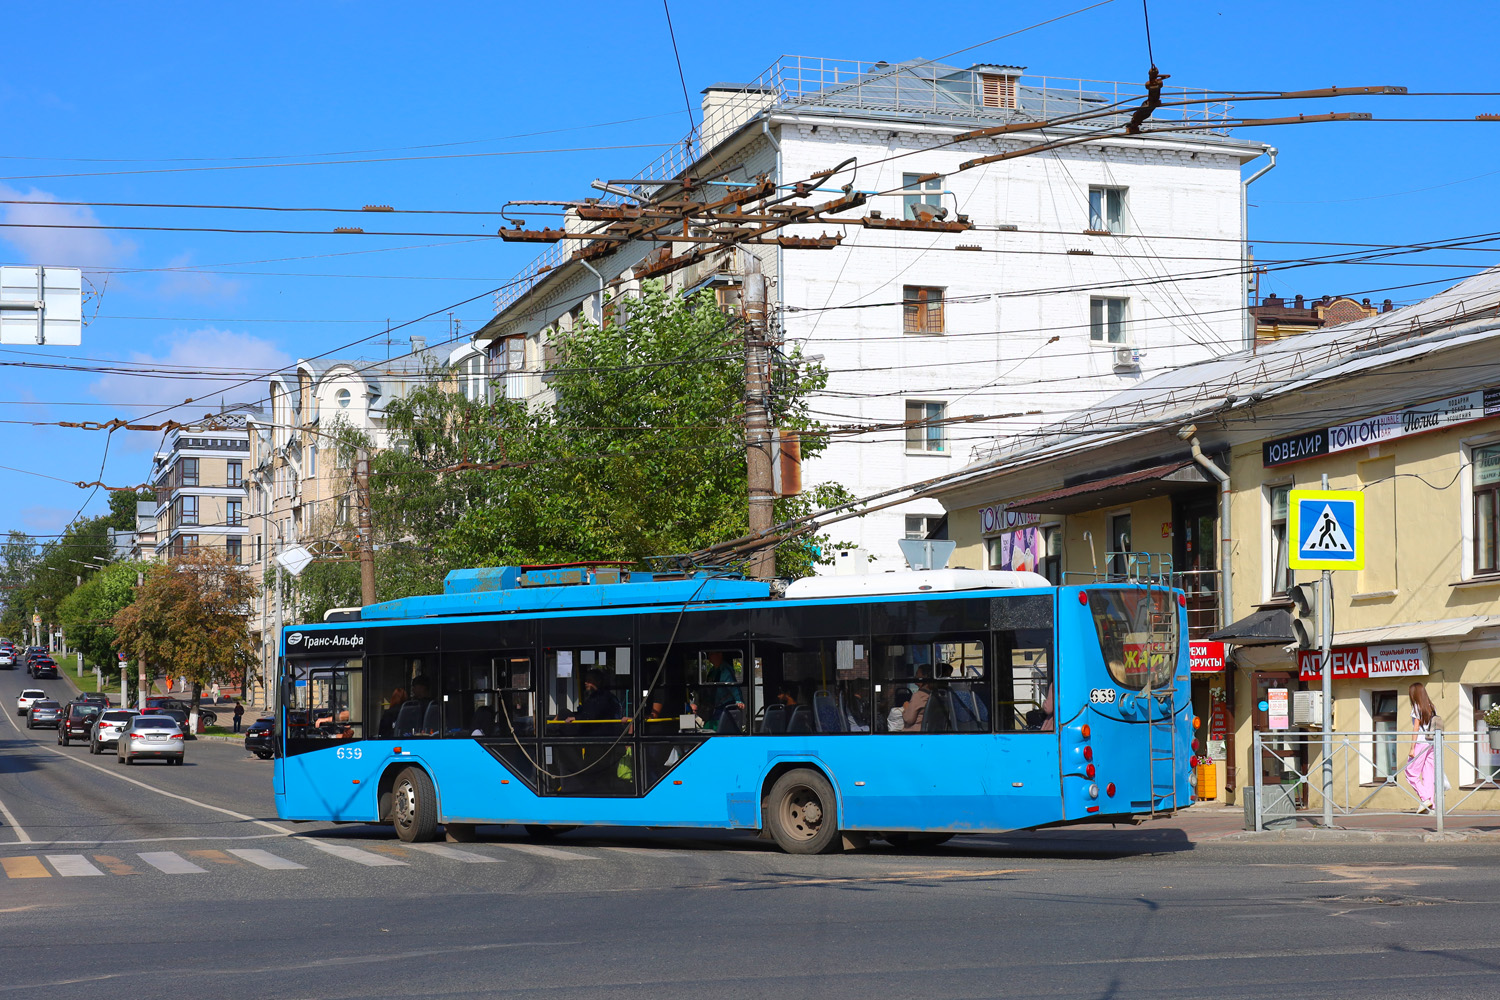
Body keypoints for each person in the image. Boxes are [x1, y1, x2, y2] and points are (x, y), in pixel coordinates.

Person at [1403, 681, 1443, 813]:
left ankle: (1425, 798)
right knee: (1428, 775)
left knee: (1410, 772)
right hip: (1431, 743)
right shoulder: (1432, 706)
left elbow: (1416, 728)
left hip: (1420, 743)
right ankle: (1431, 806)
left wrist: (1412, 748)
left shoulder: (1416, 707)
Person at [902, 667, 933, 733]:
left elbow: (909, 719)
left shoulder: (919, 696)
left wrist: (906, 707)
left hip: (914, 732)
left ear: (924, 677)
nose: (915, 677)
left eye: (917, 674)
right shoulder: (932, 694)